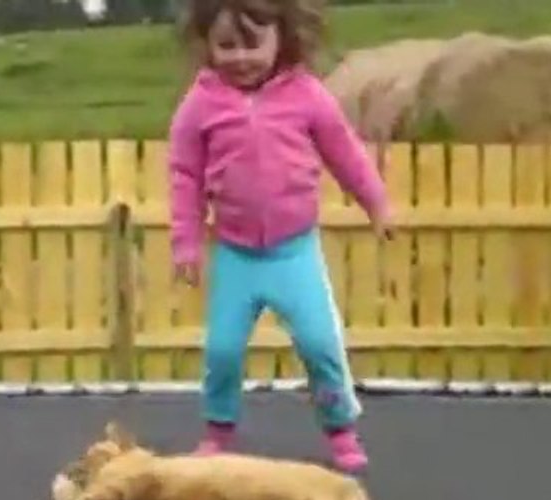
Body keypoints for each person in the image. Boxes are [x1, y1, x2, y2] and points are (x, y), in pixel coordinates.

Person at [166, 0, 394, 473]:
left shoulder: (307, 95)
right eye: (225, 46)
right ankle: (217, 432)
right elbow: (184, 176)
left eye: (253, 44)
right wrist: (185, 244)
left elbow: (344, 153)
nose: (240, 58)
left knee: (318, 343)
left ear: (280, 38)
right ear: (206, 45)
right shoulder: (200, 104)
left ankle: (341, 429)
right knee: (223, 349)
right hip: (235, 253)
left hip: (294, 252)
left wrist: (376, 203)